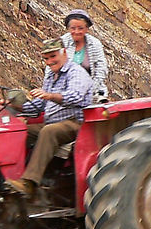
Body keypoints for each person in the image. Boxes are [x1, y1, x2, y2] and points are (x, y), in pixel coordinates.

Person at [5, 38, 93, 198]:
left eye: (53, 56)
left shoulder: (76, 73)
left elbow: (75, 97)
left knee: (49, 131)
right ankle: (7, 177)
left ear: (64, 52)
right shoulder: (51, 76)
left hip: (77, 123)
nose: (49, 61)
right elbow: (37, 107)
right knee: (18, 132)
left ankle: (29, 182)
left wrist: (49, 95)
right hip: (53, 122)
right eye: (46, 58)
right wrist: (12, 105)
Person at [60, 9, 108, 103]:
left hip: (92, 92)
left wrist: (90, 89)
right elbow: (53, 65)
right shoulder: (62, 42)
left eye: (80, 28)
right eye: (73, 28)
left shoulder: (95, 44)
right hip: (66, 92)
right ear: (68, 28)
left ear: (86, 29)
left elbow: (101, 68)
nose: (76, 31)